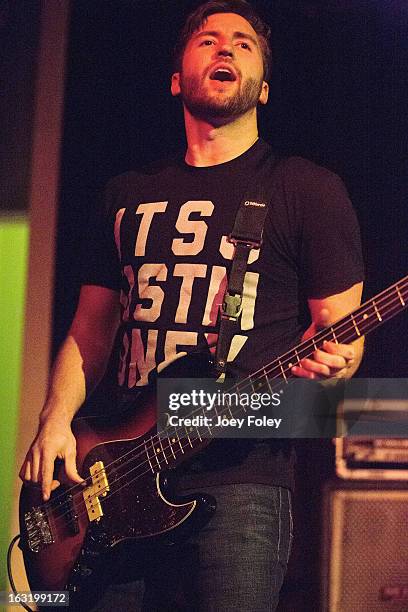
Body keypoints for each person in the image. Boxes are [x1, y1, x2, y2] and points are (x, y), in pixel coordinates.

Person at [20, 1, 365, 610]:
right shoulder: (127, 193)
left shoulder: (305, 188)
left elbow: (342, 332)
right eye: (208, 40)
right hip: (114, 475)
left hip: (242, 481)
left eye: (243, 43)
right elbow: (92, 329)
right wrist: (54, 421)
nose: (225, 48)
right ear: (177, 78)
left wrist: (341, 362)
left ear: (263, 89)